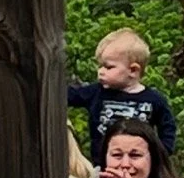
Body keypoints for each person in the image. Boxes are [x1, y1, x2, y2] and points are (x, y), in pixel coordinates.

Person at [69, 28, 177, 161]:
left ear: (133, 70)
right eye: (100, 66)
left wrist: (160, 154)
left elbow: (167, 127)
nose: (101, 72)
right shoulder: (96, 92)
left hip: (139, 168)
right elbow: (65, 96)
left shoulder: (154, 100)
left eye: (108, 67)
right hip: (103, 168)